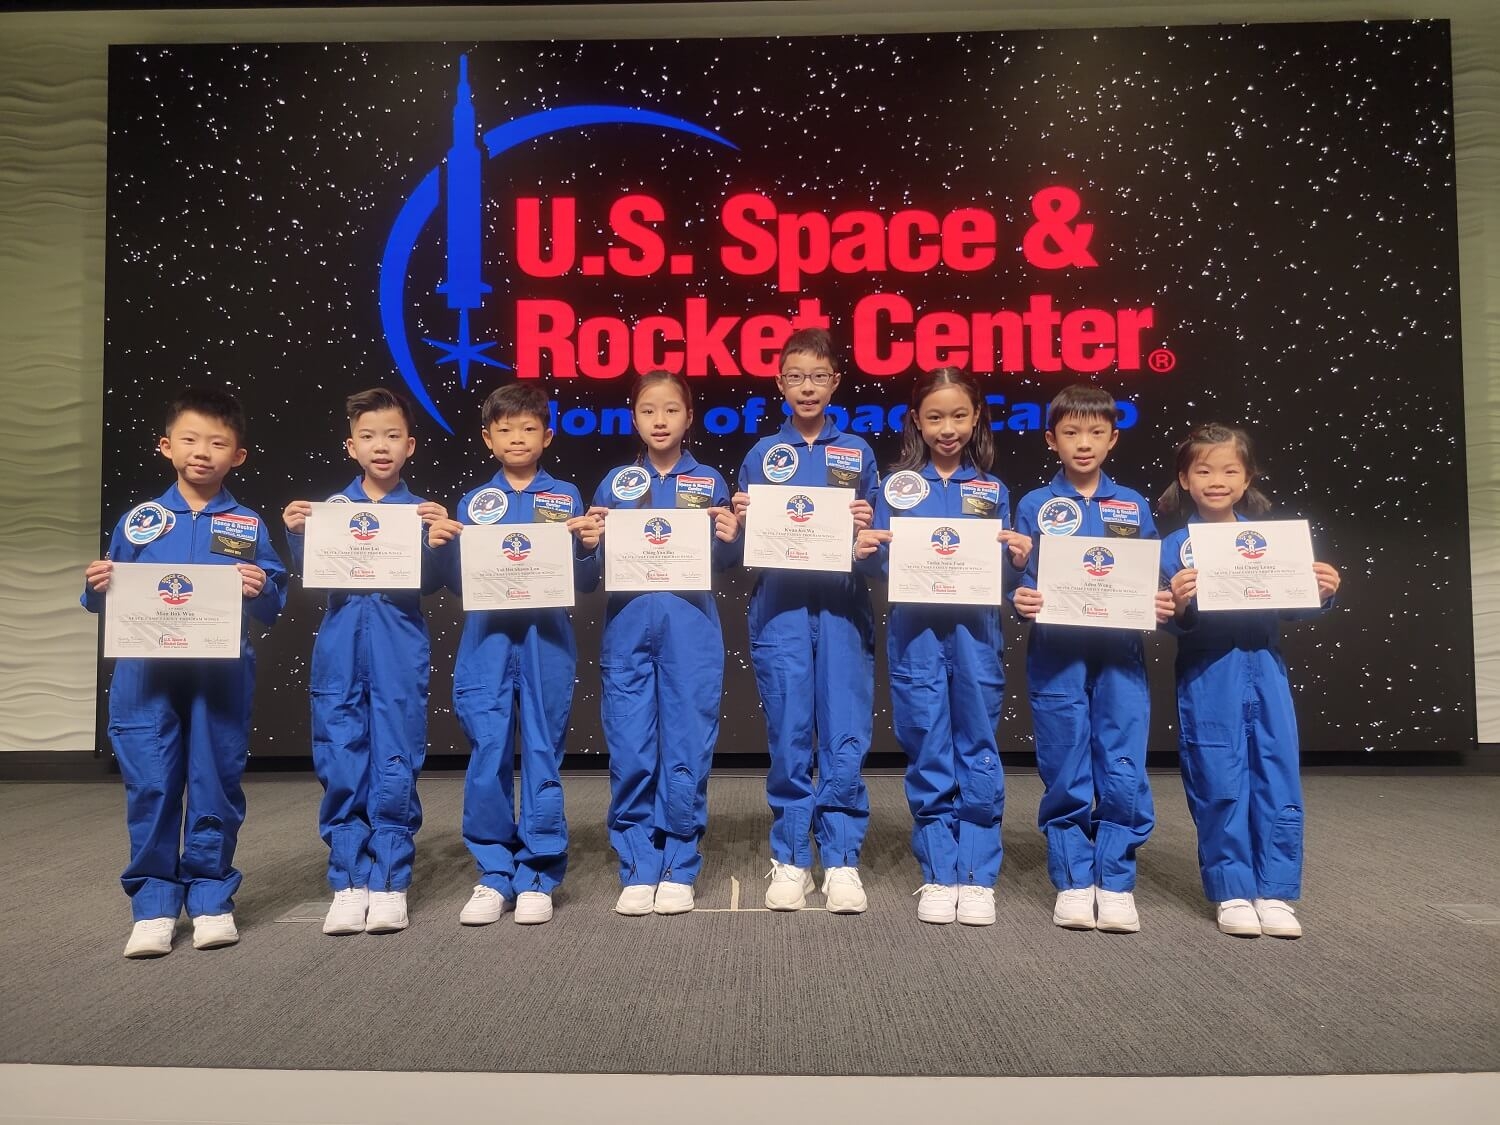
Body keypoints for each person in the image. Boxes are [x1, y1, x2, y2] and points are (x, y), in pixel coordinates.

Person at [82, 387, 288, 958]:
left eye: (218, 443)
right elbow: (103, 596)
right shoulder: (143, 521)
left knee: (214, 783)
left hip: (219, 676)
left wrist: (261, 585)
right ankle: (152, 903)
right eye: (191, 439)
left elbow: (272, 602)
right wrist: (97, 584)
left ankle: (210, 896)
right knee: (151, 784)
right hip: (146, 676)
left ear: (237, 456)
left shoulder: (245, 524)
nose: (203, 452)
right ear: (166, 446)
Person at [854, 368, 1031, 925]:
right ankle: (938, 870)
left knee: (977, 745)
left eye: (958, 415)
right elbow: (882, 563)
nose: (947, 428)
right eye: (935, 417)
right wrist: (867, 548)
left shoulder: (993, 491)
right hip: (917, 637)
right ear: (917, 422)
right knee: (929, 747)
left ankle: (977, 875)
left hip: (976, 634)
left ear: (976, 416)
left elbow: (1002, 573)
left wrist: (1018, 560)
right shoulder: (896, 489)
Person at [1158, 423, 1341, 939]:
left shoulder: (1267, 541)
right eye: (1204, 470)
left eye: (1230, 470)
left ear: (1247, 477)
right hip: (1208, 673)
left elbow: (1291, 606)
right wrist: (1179, 603)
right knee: (1218, 775)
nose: (1217, 480)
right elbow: (1167, 618)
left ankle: (1277, 890)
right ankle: (1233, 889)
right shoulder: (1175, 546)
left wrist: (1321, 591)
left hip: (1265, 667)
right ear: (1186, 479)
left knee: (1276, 772)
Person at [282, 387, 453, 937]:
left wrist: (438, 542)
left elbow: (432, 584)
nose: (381, 446)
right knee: (340, 759)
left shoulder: (422, 513)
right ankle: (348, 880)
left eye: (393, 436)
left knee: (396, 759)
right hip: (338, 651)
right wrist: (296, 535)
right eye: (368, 436)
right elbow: (315, 581)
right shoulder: (329, 513)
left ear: (411, 446)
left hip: (399, 648)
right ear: (350, 445)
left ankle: (390, 880)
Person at [431, 383, 602, 927]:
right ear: (488, 439)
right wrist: (442, 550)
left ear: (547, 435)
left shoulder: (566, 497)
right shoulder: (474, 504)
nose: (517, 438)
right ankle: (493, 873)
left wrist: (589, 548)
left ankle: (538, 874)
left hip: (546, 639)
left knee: (544, 752)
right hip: (487, 641)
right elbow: (462, 585)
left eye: (528, 428)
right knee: (488, 753)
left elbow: (582, 581)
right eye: (504, 430)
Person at [1011, 386, 1175, 934]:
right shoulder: (1036, 504)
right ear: (1051, 439)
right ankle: (1075, 879)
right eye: (1071, 433)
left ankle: (1116, 878)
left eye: (1096, 433)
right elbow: (1024, 577)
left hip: (1119, 656)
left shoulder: (1131, 504)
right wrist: (1022, 595)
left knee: (1122, 762)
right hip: (1057, 654)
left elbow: (1149, 570)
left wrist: (1157, 594)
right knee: (1065, 764)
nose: (1084, 444)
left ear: (1113, 438)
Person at [732, 328, 878, 913]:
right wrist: (742, 518)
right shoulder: (763, 455)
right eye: (796, 377)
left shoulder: (857, 452)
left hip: (842, 607)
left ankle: (841, 860)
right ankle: (791, 857)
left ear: (835, 382)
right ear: (780, 384)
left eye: (819, 376)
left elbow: (876, 538)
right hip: (782, 610)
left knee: (844, 733)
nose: (807, 387)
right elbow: (740, 539)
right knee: (790, 732)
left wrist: (867, 525)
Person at [587, 371, 742, 916]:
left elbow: (721, 563)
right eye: (648, 411)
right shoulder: (616, 484)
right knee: (630, 749)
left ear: (688, 418)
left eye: (671, 410)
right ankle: (637, 863)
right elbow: (593, 565)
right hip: (628, 629)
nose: (659, 420)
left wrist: (730, 538)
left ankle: (678, 862)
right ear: (634, 418)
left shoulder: (709, 482)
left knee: (685, 749)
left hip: (689, 629)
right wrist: (590, 542)